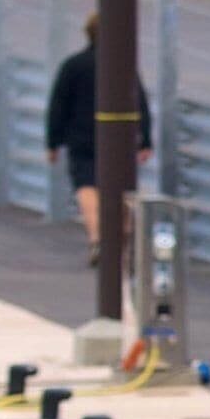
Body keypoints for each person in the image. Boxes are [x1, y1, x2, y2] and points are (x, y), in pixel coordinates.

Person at [43, 15, 151, 264]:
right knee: (122, 187)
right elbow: (140, 101)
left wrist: (52, 143)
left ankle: (97, 237)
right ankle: (121, 240)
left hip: (81, 136)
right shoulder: (124, 65)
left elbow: (58, 105)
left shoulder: (73, 64)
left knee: (86, 185)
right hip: (121, 138)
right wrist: (146, 139)